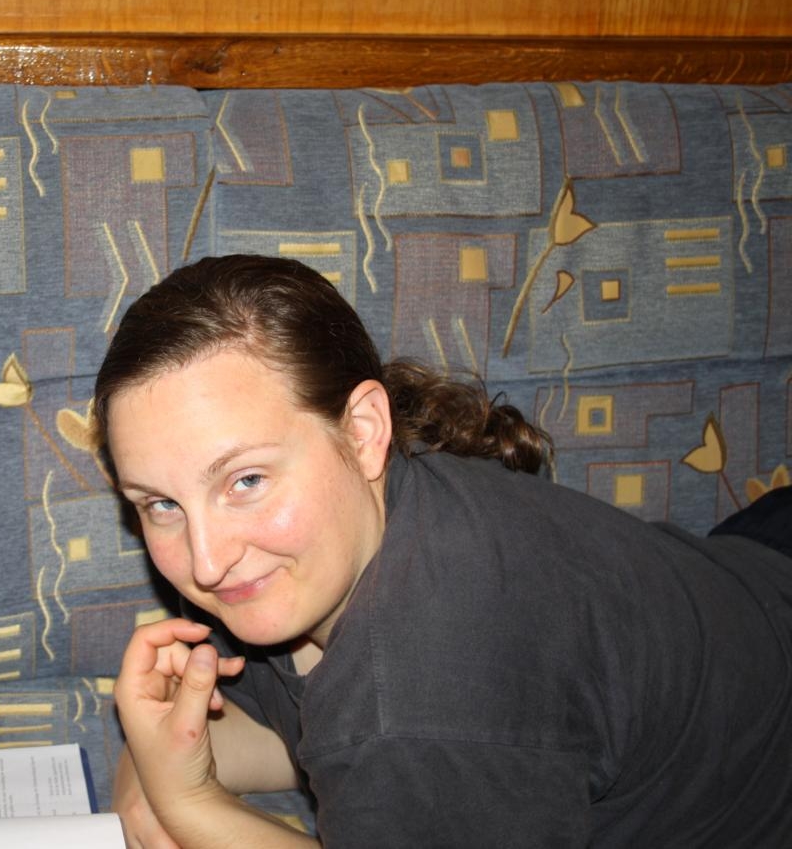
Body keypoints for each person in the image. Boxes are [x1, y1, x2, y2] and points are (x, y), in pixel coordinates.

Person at [92, 254, 792, 848]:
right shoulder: (344, 533)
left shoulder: (424, 689)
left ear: (365, 430)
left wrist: (192, 806)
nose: (206, 561)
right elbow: (308, 733)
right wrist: (168, 753)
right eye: (160, 504)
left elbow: (394, 737)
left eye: (246, 481)